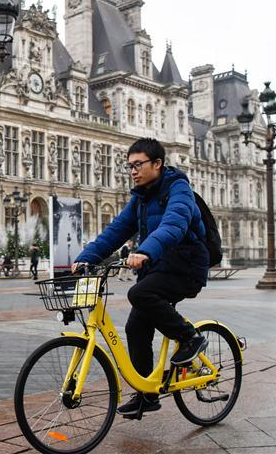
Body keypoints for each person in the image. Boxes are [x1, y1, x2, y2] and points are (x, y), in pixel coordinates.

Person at [72, 137, 209, 418]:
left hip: (186, 266)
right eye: (129, 166)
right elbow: (116, 230)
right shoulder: (140, 197)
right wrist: (87, 256)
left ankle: (191, 337)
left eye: (138, 165)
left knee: (139, 295)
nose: (133, 171)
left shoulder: (179, 188)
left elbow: (175, 223)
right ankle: (147, 394)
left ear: (157, 164)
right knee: (136, 326)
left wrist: (145, 250)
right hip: (159, 267)